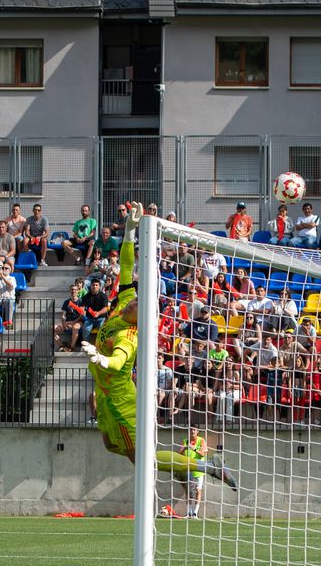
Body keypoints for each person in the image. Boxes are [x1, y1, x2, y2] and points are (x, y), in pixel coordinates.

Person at [79, 201, 237, 491]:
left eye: (144, 305)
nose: (138, 300)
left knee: (141, 458)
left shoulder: (129, 335)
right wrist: (129, 233)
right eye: (140, 298)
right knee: (111, 446)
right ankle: (182, 467)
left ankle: (204, 466)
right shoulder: (124, 303)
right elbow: (127, 265)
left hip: (120, 401)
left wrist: (100, 360)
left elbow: (116, 361)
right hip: (104, 397)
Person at [180, 426, 209, 519]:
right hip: (189, 468)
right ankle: (189, 512)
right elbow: (179, 453)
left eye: (194, 429)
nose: (192, 431)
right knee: (188, 490)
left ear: (197, 431)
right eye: (191, 429)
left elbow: (203, 453)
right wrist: (184, 448)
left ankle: (195, 513)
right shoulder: (185, 440)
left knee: (198, 490)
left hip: (199, 468)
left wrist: (194, 448)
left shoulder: (201, 440)